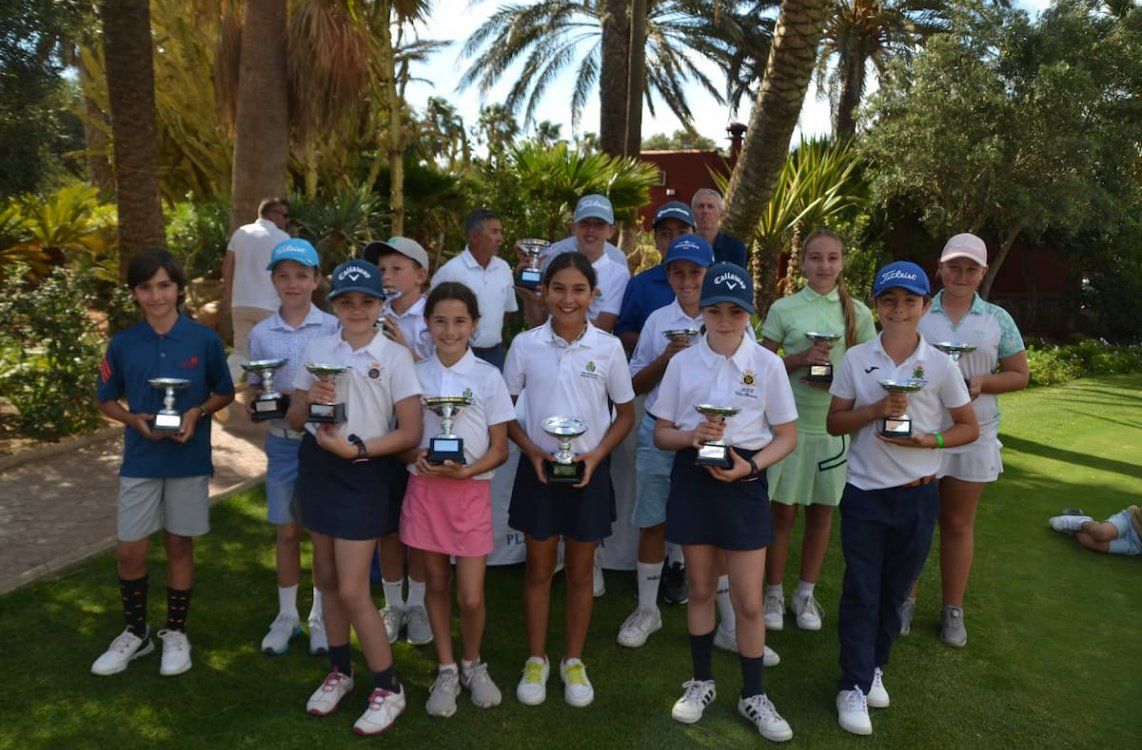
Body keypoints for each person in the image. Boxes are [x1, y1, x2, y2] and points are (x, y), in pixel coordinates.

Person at [826, 260, 979, 736]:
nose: (899, 309)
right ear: (877, 307)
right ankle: (851, 684)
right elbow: (835, 422)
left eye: (909, 301)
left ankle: (875, 667)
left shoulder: (940, 364)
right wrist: (875, 410)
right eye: (890, 301)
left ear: (924, 306)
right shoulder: (856, 358)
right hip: (866, 493)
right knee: (862, 591)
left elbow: (968, 427)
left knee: (894, 594)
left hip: (918, 496)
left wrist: (928, 442)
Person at [651, 262, 798, 741]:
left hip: (744, 482)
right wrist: (692, 435)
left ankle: (753, 694)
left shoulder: (768, 365)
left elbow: (787, 436)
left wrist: (751, 467)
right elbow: (660, 434)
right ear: (702, 312)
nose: (725, 319)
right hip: (695, 482)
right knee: (698, 590)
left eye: (736, 311)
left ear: (749, 314)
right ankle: (702, 682)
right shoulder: (682, 363)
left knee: (748, 600)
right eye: (715, 309)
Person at [287, 258, 423, 735]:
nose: (357, 310)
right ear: (335, 306)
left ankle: (389, 686)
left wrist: (358, 447)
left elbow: (410, 431)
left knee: (350, 588)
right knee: (324, 579)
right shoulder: (319, 346)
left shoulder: (396, 356)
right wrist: (311, 395)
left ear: (380, 304)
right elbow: (293, 419)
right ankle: (340, 672)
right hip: (320, 466)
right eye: (347, 302)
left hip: (365, 471)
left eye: (366, 301)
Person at [91, 249, 235, 678]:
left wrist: (195, 413)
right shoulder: (122, 343)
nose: (156, 296)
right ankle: (136, 632)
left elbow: (223, 392)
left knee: (178, 544)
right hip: (140, 459)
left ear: (178, 288)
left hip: (188, 460)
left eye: (164, 285)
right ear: (134, 292)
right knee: (130, 548)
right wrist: (133, 419)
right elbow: (104, 400)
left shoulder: (203, 339)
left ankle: (175, 631)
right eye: (146, 287)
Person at [504, 252, 636, 708]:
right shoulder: (524, 345)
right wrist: (533, 450)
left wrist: (598, 454)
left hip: (587, 472)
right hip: (540, 469)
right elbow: (506, 412)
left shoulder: (609, 347)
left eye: (579, 289)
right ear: (544, 291)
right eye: (558, 288)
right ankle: (537, 659)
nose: (568, 298)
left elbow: (626, 414)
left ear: (593, 295)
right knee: (539, 570)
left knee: (580, 573)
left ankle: (572, 660)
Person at [400, 282, 517, 717]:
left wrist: (467, 470)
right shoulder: (414, 375)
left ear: (475, 325)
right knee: (435, 583)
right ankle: (446, 668)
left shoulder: (488, 377)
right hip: (426, 491)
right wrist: (418, 459)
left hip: (470, 492)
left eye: (459, 321)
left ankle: (473, 662)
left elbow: (500, 447)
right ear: (427, 325)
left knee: (470, 596)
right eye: (440, 321)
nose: (449, 331)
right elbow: (405, 441)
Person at [907, 233, 1029, 647]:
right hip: (924, 429)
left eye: (970, 269)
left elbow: (1019, 374)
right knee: (917, 520)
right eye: (954, 267)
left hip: (974, 433)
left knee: (958, 524)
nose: (961, 275)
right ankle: (905, 599)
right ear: (940, 269)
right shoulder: (920, 311)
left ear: (982, 273)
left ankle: (952, 610)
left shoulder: (997, 318)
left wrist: (981, 382)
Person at [760, 229, 876, 633]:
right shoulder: (784, 308)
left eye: (831, 258)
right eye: (815, 258)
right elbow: (761, 365)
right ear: (803, 262)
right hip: (789, 427)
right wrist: (801, 359)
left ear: (842, 261)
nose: (823, 266)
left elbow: (867, 371)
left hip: (831, 429)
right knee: (782, 512)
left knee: (822, 513)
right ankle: (772, 592)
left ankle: (804, 594)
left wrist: (831, 380)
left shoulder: (857, 313)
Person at [245, 238, 340, 657]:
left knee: (321, 535)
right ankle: (287, 616)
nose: (292, 283)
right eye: (283, 275)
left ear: (316, 280)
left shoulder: (333, 327)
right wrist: (260, 405)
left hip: (322, 444)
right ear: (272, 280)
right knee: (286, 531)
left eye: (301, 275)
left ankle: (319, 614)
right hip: (283, 442)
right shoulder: (262, 333)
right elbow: (252, 388)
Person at [364, 236, 432, 646]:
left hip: (424, 438)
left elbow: (447, 378)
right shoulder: (371, 314)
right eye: (382, 270)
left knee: (420, 529)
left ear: (421, 275)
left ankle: (419, 605)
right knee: (388, 528)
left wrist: (403, 349)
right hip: (382, 435)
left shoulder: (437, 317)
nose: (387, 277)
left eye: (397, 269)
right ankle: (393, 604)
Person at [519, 194, 631, 333]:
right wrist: (530, 299)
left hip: (593, 353)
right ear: (573, 227)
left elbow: (603, 327)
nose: (591, 230)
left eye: (599, 224)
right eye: (585, 223)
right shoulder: (555, 264)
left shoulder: (618, 274)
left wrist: (558, 312)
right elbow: (539, 325)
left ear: (611, 231)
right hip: (549, 347)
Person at [430, 208, 518, 369]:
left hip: (494, 354)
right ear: (474, 237)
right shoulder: (450, 272)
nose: (500, 239)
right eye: (494, 232)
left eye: (500, 232)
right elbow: (433, 315)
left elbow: (506, 311)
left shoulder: (503, 268)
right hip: (459, 353)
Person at [614, 200, 697, 354]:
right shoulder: (639, 285)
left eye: (682, 233)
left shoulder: (712, 281)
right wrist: (656, 346)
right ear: (656, 240)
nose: (674, 241)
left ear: (695, 235)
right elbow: (623, 333)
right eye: (665, 234)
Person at [222, 198, 291, 379]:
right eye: (284, 215)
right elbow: (288, 272)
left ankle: (222, 391)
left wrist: (231, 298)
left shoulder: (240, 232)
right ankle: (273, 398)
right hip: (269, 306)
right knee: (274, 354)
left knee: (240, 353)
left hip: (240, 304)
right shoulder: (283, 239)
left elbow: (227, 267)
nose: (286, 220)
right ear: (271, 215)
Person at [1049, 507, 1142, 556]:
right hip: (1131, 520)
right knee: (1102, 533)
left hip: (1137, 544)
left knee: (1088, 542)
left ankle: (1074, 529)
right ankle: (1083, 522)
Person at [691, 189, 747, 267]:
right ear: (692, 212)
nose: (705, 211)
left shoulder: (735, 247)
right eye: (701, 206)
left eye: (710, 207)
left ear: (721, 214)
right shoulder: (686, 245)